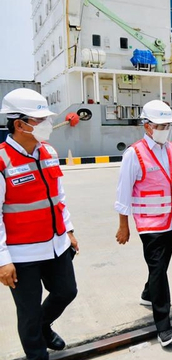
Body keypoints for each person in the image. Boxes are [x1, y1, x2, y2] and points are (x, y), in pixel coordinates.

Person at [0, 88, 79, 360]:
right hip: (21, 253)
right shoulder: (2, 160)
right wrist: (2, 259)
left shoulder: (49, 152)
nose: (46, 125)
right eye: (39, 120)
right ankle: (37, 354)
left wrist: (68, 230)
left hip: (55, 243)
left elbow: (59, 196)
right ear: (19, 124)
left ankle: (44, 326)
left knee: (67, 291)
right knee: (29, 312)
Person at [115, 100, 172, 346]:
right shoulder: (135, 153)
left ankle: (147, 293)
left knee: (159, 267)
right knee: (159, 270)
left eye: (168, 125)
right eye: (161, 125)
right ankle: (164, 326)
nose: (165, 129)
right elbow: (123, 191)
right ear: (147, 126)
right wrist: (123, 225)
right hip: (149, 225)